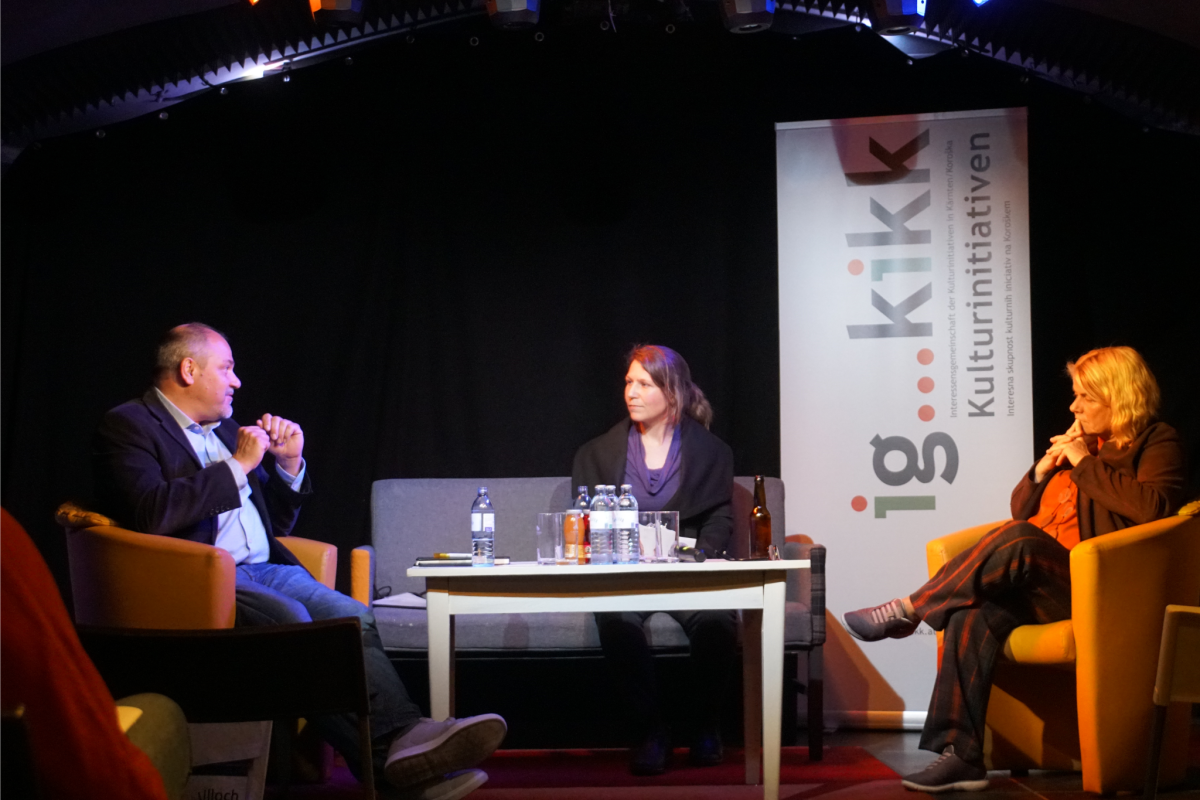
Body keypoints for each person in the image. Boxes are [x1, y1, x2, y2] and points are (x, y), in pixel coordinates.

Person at [93, 323, 507, 800]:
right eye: (226, 368)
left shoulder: (225, 429)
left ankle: (403, 748)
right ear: (189, 369)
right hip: (200, 580)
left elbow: (273, 525)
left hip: (263, 568)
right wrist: (238, 466)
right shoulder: (128, 425)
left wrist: (289, 465)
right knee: (298, 627)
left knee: (350, 615)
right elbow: (150, 513)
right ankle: (396, 759)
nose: (236, 382)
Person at [843, 346, 1187, 793]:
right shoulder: (1080, 447)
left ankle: (909, 608)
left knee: (1019, 538)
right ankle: (961, 755)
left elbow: (1154, 510)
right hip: (1043, 586)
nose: (1073, 406)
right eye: (1074, 395)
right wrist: (1042, 471)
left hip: (1098, 587)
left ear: (1118, 396)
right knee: (971, 615)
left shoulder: (1155, 441)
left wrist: (1084, 463)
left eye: (1085, 397)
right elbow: (1021, 509)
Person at [572, 344, 737, 776]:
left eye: (644, 383)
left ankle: (704, 725)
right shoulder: (595, 454)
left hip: (685, 573)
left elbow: (720, 518)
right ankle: (650, 731)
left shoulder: (712, 452)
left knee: (718, 622)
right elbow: (585, 517)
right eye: (629, 381)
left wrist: (699, 555)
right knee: (617, 621)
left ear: (672, 392)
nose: (632, 391)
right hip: (625, 574)